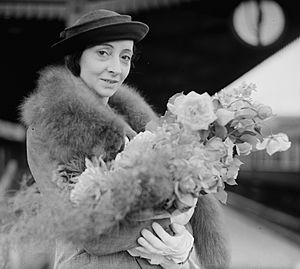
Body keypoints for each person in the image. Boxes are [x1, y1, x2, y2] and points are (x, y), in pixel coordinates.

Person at [20, 9, 230, 269]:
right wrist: (175, 222)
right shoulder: (47, 129)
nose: (115, 68)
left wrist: (183, 248)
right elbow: (88, 233)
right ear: (78, 58)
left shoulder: (143, 127)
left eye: (125, 57)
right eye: (103, 53)